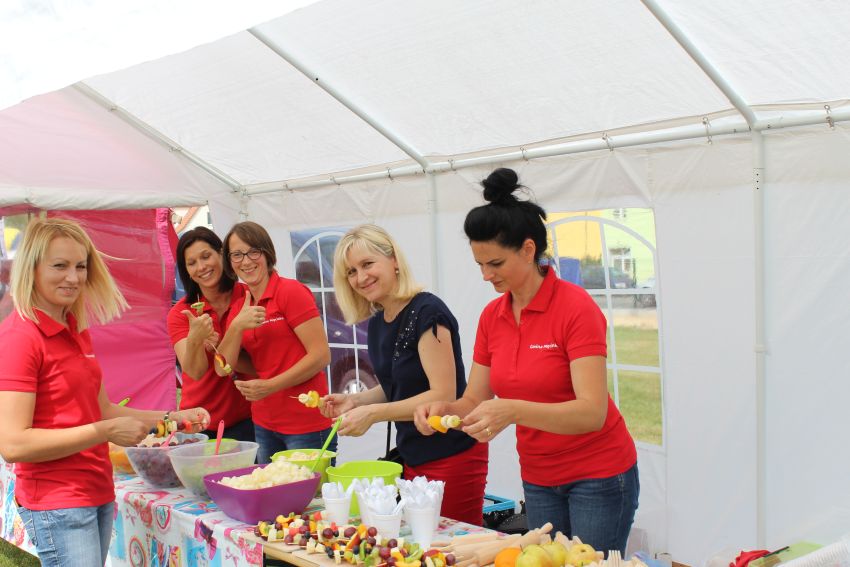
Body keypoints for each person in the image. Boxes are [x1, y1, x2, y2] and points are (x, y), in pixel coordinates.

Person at [414, 168, 639, 553]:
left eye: (495, 264)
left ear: (528, 250)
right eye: (479, 265)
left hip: (598, 475)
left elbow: (591, 413)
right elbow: (475, 399)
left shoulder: (575, 308)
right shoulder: (492, 316)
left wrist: (513, 410)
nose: (486, 275)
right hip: (538, 477)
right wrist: (442, 410)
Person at [0, 217, 210, 567]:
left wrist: (172, 417)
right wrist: (105, 431)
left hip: (95, 490)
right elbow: (13, 444)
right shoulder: (20, 337)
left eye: (80, 266)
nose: (73, 277)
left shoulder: (75, 328)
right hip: (57, 500)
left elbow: (103, 409)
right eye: (60, 266)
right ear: (32, 269)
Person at [322, 224, 488, 525]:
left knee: (450, 544)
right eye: (351, 272)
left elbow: (442, 395)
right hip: (413, 454)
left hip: (451, 453)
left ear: (394, 260)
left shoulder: (428, 312)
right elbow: (396, 386)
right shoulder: (378, 321)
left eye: (367, 264)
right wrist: (356, 401)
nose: (361, 277)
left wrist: (373, 414)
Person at [215, 221, 335, 463]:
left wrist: (270, 386)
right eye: (237, 255)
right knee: (270, 486)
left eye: (253, 252)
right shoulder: (239, 307)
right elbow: (222, 367)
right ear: (229, 262)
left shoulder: (291, 292)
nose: (246, 261)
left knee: (308, 489)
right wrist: (236, 327)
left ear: (267, 253)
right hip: (264, 422)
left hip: (305, 422)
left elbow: (321, 355)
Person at [167, 227, 254, 442]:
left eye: (206, 256)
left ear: (221, 254)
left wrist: (224, 344)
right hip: (198, 422)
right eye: (191, 263)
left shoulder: (249, 297)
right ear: (186, 271)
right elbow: (195, 372)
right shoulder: (181, 313)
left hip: (249, 419)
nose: (201, 267)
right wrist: (196, 340)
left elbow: (264, 365)